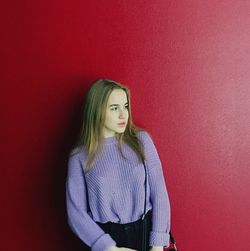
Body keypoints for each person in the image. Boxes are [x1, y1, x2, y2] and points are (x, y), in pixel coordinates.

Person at [66, 79, 171, 251]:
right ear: (97, 110)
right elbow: (75, 212)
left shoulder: (141, 141)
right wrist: (109, 248)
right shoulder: (79, 156)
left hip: (144, 235)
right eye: (114, 108)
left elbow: (159, 193)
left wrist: (158, 244)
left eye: (126, 106)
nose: (124, 114)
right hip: (104, 239)